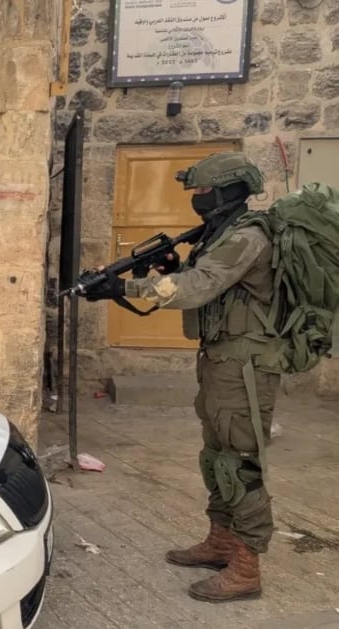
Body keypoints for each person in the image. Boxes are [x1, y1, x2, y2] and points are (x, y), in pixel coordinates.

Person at [83, 152, 277, 603]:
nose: (198, 198)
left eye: (203, 191)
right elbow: (201, 281)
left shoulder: (247, 237)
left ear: (229, 190)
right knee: (216, 455)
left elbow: (199, 287)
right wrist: (172, 269)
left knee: (240, 462)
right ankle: (221, 542)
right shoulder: (221, 233)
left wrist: (124, 287)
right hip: (222, 358)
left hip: (246, 365)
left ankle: (247, 567)